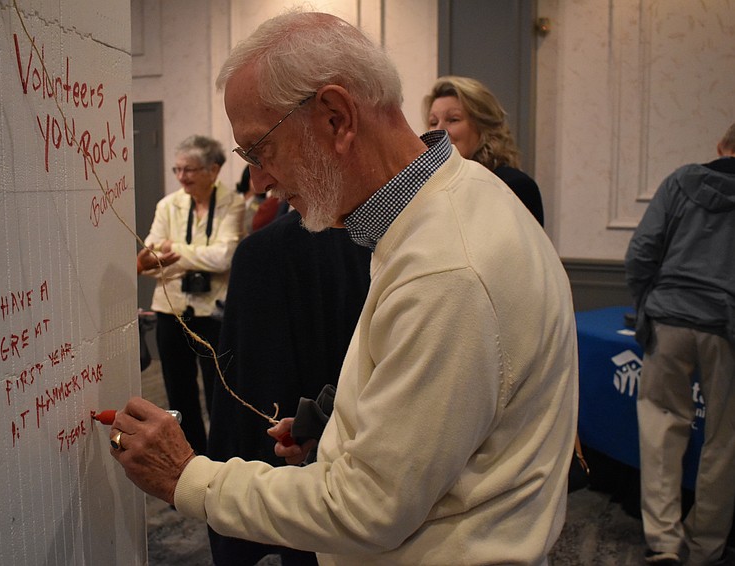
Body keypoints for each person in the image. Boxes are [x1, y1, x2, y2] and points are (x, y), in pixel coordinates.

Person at [113, 11, 577, 564]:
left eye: (261, 151)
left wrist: (187, 476)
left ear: (336, 118)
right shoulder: (454, 198)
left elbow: (367, 509)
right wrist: (340, 425)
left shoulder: (447, 270)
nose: (259, 181)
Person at [206, 208, 372, 565]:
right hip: (335, 440)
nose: (260, 177)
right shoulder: (380, 239)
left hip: (338, 465)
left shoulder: (262, 252)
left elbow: (244, 393)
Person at [625, 122, 735, 566]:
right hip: (726, 327)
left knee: (660, 430)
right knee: (724, 442)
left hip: (669, 317)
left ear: (721, 145)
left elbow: (641, 251)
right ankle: (707, 546)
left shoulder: (681, 181)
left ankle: (664, 543)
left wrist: (648, 304)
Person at [137, 134, 245, 455]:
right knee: (178, 393)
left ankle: (223, 463)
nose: (182, 177)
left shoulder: (231, 203)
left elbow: (224, 257)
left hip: (214, 313)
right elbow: (149, 258)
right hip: (171, 310)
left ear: (213, 170)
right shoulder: (167, 205)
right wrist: (188, 255)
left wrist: (173, 252)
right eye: (178, 169)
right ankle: (187, 463)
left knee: (218, 391)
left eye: (190, 170)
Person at [423, 75, 545, 226]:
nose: (439, 130)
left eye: (453, 119)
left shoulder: (514, 186)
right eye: (433, 122)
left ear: (483, 126)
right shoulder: (429, 191)